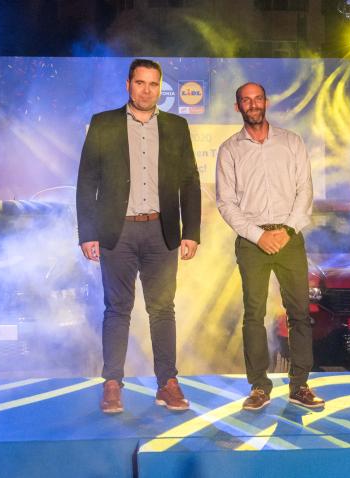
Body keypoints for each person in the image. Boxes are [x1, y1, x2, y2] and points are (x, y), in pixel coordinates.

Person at [76, 58, 201, 414]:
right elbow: (87, 181)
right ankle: (112, 383)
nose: (147, 90)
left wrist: (191, 231)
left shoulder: (176, 126)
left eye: (153, 84)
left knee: (162, 309)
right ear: (128, 85)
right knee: (117, 309)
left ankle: (167, 383)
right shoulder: (104, 123)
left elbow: (190, 181)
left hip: (162, 232)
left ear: (161, 87)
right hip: (118, 231)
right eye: (140, 83)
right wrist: (87, 233)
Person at [215, 82, 325, 411]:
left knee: (300, 313)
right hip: (252, 242)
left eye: (258, 99)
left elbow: (305, 190)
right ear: (238, 107)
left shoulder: (292, 142)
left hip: (289, 237)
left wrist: (287, 230)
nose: (253, 105)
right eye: (246, 100)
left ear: (267, 102)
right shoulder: (229, 149)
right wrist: (257, 235)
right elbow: (226, 202)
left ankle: (300, 385)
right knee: (254, 315)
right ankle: (259, 387)